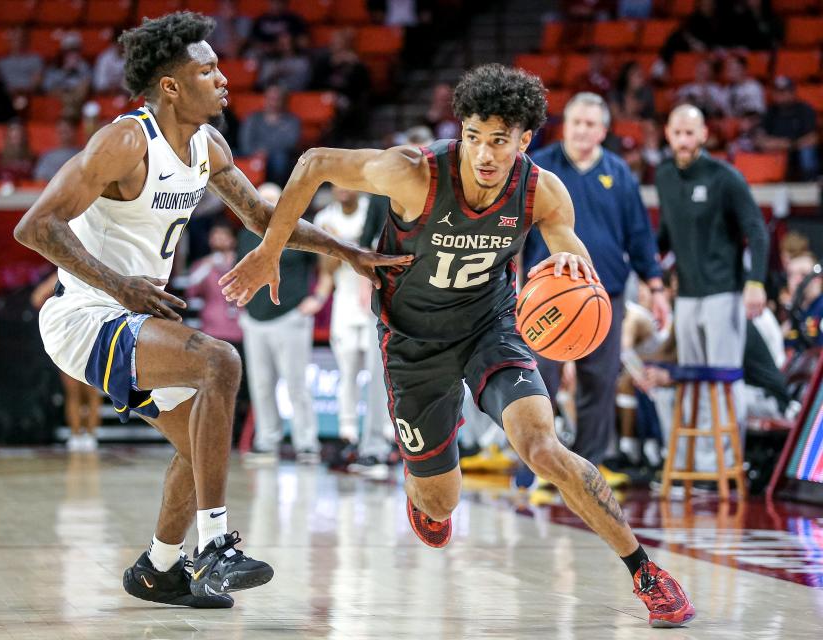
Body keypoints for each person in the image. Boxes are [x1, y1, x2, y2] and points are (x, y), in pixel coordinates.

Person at [221, 63, 695, 628]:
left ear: (524, 140)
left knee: (543, 447)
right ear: (461, 132)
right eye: (474, 138)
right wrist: (272, 248)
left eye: (500, 141)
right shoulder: (413, 173)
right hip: (412, 343)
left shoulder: (542, 190)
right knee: (439, 503)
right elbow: (315, 162)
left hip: (488, 328)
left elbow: (572, 253)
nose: (485, 154)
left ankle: (645, 571)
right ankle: (428, 473)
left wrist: (575, 264)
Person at [13, 11, 408, 607]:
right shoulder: (125, 141)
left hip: (137, 314)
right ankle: (216, 544)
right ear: (171, 85)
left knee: (197, 447)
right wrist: (121, 285)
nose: (224, 79)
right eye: (208, 70)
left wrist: (344, 249)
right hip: (86, 315)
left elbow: (260, 219)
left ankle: (160, 567)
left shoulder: (208, 144)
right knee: (219, 361)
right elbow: (33, 226)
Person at [524, 92, 668, 481]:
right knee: (538, 381)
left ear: (604, 130)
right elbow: (516, 233)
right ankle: (534, 466)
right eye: (577, 123)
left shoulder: (619, 173)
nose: (583, 130)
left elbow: (639, 235)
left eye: (591, 124)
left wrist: (655, 286)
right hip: (548, 293)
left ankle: (588, 467)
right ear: (564, 126)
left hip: (603, 295)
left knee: (600, 382)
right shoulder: (538, 169)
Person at [656, 104, 770, 472]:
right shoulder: (664, 176)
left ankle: (725, 461)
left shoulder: (726, 177)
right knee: (693, 382)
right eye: (678, 132)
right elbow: (666, 236)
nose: (684, 140)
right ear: (668, 134)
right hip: (686, 296)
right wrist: (651, 274)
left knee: (724, 379)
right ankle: (697, 463)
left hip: (724, 292)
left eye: (691, 133)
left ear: (704, 134)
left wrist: (756, 282)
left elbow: (757, 229)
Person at [310, 186, 394, 476]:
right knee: (348, 375)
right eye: (336, 185)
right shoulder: (325, 216)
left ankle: (384, 435)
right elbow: (327, 268)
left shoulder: (372, 207)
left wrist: (341, 242)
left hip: (372, 301)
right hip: (345, 304)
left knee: (379, 374)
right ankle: (349, 435)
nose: (342, 189)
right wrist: (333, 245)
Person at [237, 183, 321, 464]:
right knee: (261, 385)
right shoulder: (246, 234)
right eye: (263, 201)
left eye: (273, 201)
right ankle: (266, 441)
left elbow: (323, 266)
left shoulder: (298, 230)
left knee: (296, 384)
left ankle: (306, 443)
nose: (267, 207)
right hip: (254, 319)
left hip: (290, 316)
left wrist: (318, 298)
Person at [32, 274, 102, 451]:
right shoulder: (65, 271)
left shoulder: (93, 268)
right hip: (73, 336)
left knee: (90, 393)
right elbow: (37, 297)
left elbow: (37, 298)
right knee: (75, 392)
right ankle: (78, 436)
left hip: (91, 334)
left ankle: (88, 437)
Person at [757, 76, 819, 182]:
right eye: (777, 91)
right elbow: (760, 140)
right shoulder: (770, 112)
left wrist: (790, 145)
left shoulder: (804, 109)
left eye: (784, 91)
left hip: (797, 151)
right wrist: (783, 145)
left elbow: (812, 138)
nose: (780, 95)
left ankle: (810, 183)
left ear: (792, 92)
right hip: (778, 151)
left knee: (807, 152)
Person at [238, 84, 301, 185]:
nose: (273, 102)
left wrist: (266, 152)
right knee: (230, 155)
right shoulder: (253, 118)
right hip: (251, 153)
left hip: (276, 156)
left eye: (277, 98)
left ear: (283, 100)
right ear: (265, 99)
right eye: (270, 98)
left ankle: (276, 191)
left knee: (280, 160)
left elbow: (290, 142)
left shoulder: (291, 120)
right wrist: (255, 152)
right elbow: (245, 140)